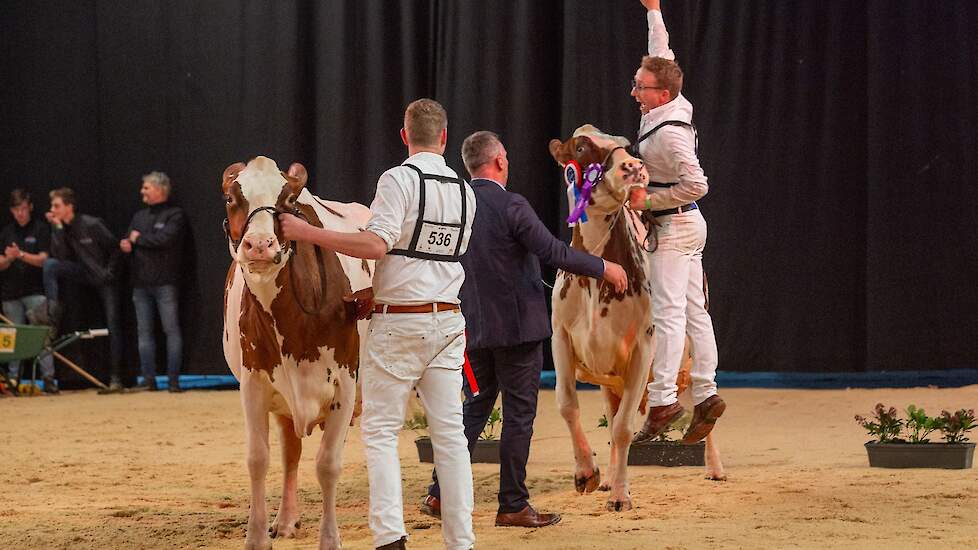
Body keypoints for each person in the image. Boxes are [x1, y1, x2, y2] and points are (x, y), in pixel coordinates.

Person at [280, 99, 476, 550]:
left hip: (400, 327)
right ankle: (460, 543)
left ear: (405, 136)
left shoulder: (398, 179)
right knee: (450, 436)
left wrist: (306, 232)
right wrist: (378, 289)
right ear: (444, 138)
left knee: (382, 431)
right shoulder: (467, 191)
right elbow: (435, 254)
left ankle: (390, 538)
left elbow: (375, 245)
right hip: (447, 320)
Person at [421, 131, 628, 527]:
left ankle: (438, 494)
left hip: (472, 329)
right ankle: (512, 504)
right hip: (518, 333)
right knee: (518, 417)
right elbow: (552, 251)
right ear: (499, 160)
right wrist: (604, 267)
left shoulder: (454, 205)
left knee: (472, 410)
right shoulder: (511, 204)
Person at [628, 0, 725, 444]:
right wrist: (654, 11)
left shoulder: (669, 132)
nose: (635, 91)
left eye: (641, 87)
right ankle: (706, 391)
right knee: (693, 312)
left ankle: (664, 397)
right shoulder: (672, 101)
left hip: (675, 223)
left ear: (661, 95)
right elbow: (661, 52)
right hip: (689, 225)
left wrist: (650, 199)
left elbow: (698, 183)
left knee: (668, 315)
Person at [42, 187, 126, 393]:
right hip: (84, 276)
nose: (52, 209)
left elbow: (116, 248)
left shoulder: (91, 224)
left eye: (56, 205)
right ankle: (52, 308)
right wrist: (58, 228)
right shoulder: (62, 227)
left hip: (106, 280)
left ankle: (116, 379)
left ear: (69, 206)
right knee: (51, 265)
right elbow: (60, 256)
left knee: (113, 325)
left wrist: (109, 273)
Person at [120, 171, 187, 392]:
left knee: (171, 330)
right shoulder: (139, 216)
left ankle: (173, 381)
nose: (142, 192)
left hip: (165, 282)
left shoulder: (174, 214)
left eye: (146, 187)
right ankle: (149, 380)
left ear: (160, 189)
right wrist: (127, 246)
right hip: (140, 284)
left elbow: (165, 239)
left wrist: (139, 239)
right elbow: (130, 237)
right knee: (144, 333)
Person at [0, 189, 55, 391]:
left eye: (23, 209)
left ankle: (49, 379)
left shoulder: (40, 229)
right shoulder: (6, 232)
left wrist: (20, 254)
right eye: (16, 210)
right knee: (12, 339)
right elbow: (1, 262)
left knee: (42, 337)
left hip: (35, 291)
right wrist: (8, 258)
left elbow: (44, 259)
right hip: (10, 294)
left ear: (30, 207)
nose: (20, 213)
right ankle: (13, 379)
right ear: (11, 211)